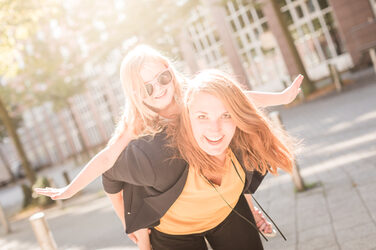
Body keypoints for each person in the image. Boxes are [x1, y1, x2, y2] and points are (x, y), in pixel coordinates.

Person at [34, 45, 303, 248]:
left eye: (162, 78)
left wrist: (281, 97)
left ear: (170, 72)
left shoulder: (190, 94)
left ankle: (249, 207)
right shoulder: (137, 123)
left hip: (216, 184)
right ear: (136, 93)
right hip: (172, 205)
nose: (159, 90)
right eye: (147, 88)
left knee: (225, 158)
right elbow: (107, 162)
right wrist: (70, 190)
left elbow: (237, 100)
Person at [102, 69, 295, 250]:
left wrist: (250, 209)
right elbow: (109, 173)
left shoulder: (240, 139)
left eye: (226, 115)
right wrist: (133, 227)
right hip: (175, 232)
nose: (215, 129)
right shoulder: (155, 154)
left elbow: (241, 101)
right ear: (187, 118)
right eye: (202, 116)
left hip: (226, 213)